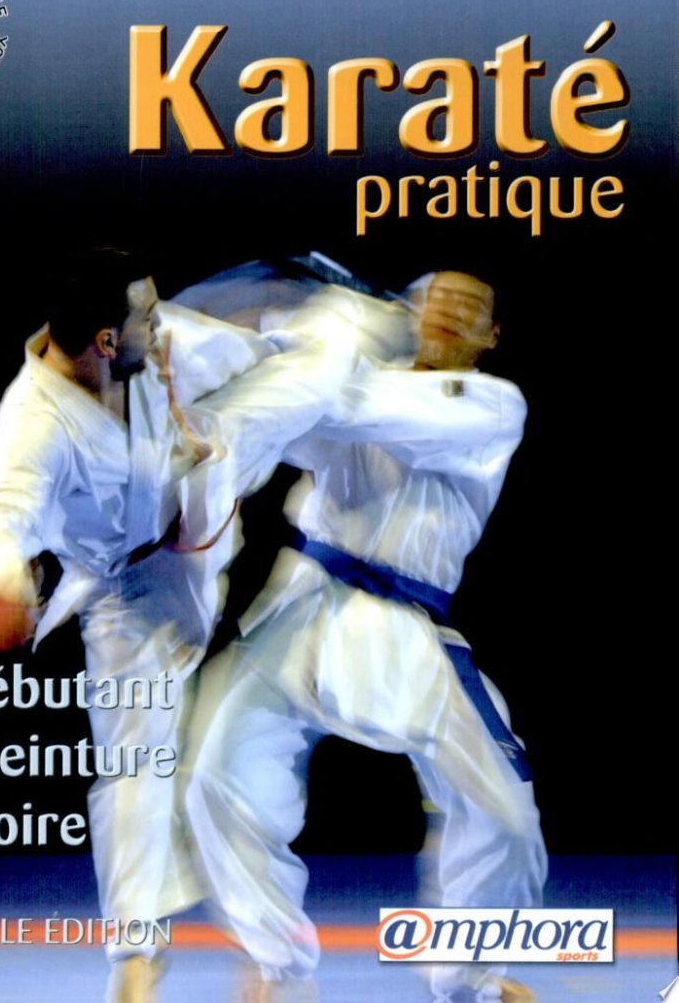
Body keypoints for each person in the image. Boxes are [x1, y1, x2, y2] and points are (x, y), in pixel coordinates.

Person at [0, 249, 358, 1003]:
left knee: (318, 372)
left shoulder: (156, 342)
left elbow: (245, 356)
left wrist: (290, 335)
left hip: (207, 471)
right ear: (106, 340)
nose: (160, 323)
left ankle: (367, 330)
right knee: (136, 771)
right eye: (145, 316)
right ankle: (136, 958)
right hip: (131, 593)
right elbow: (3, 511)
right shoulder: (35, 423)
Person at [185, 271, 547, 1002]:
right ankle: (278, 965)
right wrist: (295, 343)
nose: (449, 311)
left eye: (470, 307)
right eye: (436, 298)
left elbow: (357, 407)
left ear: (491, 336)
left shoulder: (491, 405)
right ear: (410, 312)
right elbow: (286, 419)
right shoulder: (344, 370)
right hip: (303, 606)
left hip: (408, 630)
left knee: (505, 817)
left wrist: (325, 338)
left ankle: (470, 975)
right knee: (215, 777)